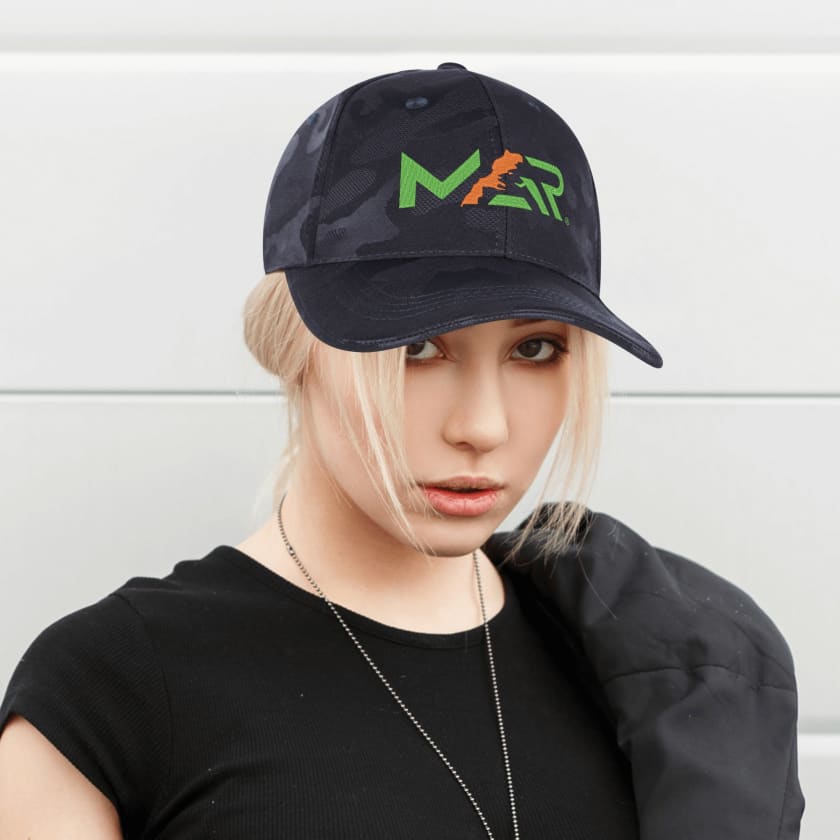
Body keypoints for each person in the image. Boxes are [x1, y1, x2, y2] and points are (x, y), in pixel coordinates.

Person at [0, 62, 804, 839]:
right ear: (290, 345)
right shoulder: (111, 689)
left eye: (534, 350)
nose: (482, 426)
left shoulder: (660, 669)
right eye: (419, 347)